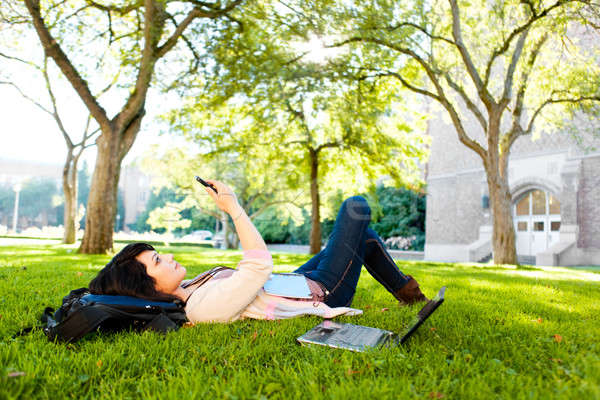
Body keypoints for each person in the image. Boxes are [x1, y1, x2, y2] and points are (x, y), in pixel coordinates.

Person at [89, 180, 428, 323]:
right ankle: (407, 292)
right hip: (323, 290)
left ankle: (407, 293)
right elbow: (257, 267)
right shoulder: (202, 309)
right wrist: (233, 208)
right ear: (149, 287)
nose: (169, 257)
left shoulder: (191, 289)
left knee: (364, 238)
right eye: (158, 261)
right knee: (356, 208)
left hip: (297, 279)